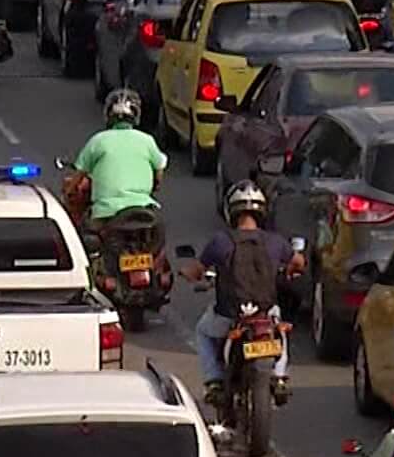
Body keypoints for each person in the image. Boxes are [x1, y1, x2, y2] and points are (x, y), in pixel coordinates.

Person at [178, 181, 304, 408]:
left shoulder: (220, 241)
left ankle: (214, 381)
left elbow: (196, 270)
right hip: (265, 311)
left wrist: (187, 272)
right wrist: (291, 270)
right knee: (279, 328)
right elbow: (298, 261)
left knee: (203, 332)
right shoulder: (275, 241)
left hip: (229, 315)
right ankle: (279, 375)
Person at [70, 89, 169, 236]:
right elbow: (159, 172)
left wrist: (69, 192)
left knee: (86, 238)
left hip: (106, 212)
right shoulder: (147, 140)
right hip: (143, 209)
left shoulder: (98, 140)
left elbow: (77, 179)